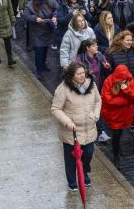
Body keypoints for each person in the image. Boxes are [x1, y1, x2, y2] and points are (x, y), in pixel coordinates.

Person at [51, 62, 101, 191]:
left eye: (83, 73)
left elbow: (98, 101)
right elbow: (56, 108)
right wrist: (67, 121)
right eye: (78, 74)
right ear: (71, 75)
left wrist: (95, 114)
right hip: (71, 131)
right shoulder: (63, 89)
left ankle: (83, 174)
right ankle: (72, 182)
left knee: (88, 153)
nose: (82, 76)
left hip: (89, 128)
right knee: (71, 158)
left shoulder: (92, 84)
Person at [100, 64, 134, 167]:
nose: (122, 80)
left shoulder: (129, 80)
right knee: (116, 135)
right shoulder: (108, 81)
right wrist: (126, 101)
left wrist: (127, 90)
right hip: (113, 115)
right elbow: (108, 100)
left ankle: (118, 150)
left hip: (125, 114)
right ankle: (116, 155)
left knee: (122, 134)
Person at [25, 0, 59, 79]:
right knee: (38, 51)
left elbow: (57, 9)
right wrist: (35, 18)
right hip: (36, 32)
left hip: (47, 30)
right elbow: (27, 15)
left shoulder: (51, 0)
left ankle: (43, 64)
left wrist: (55, 16)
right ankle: (38, 69)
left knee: (45, 49)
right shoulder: (30, 4)